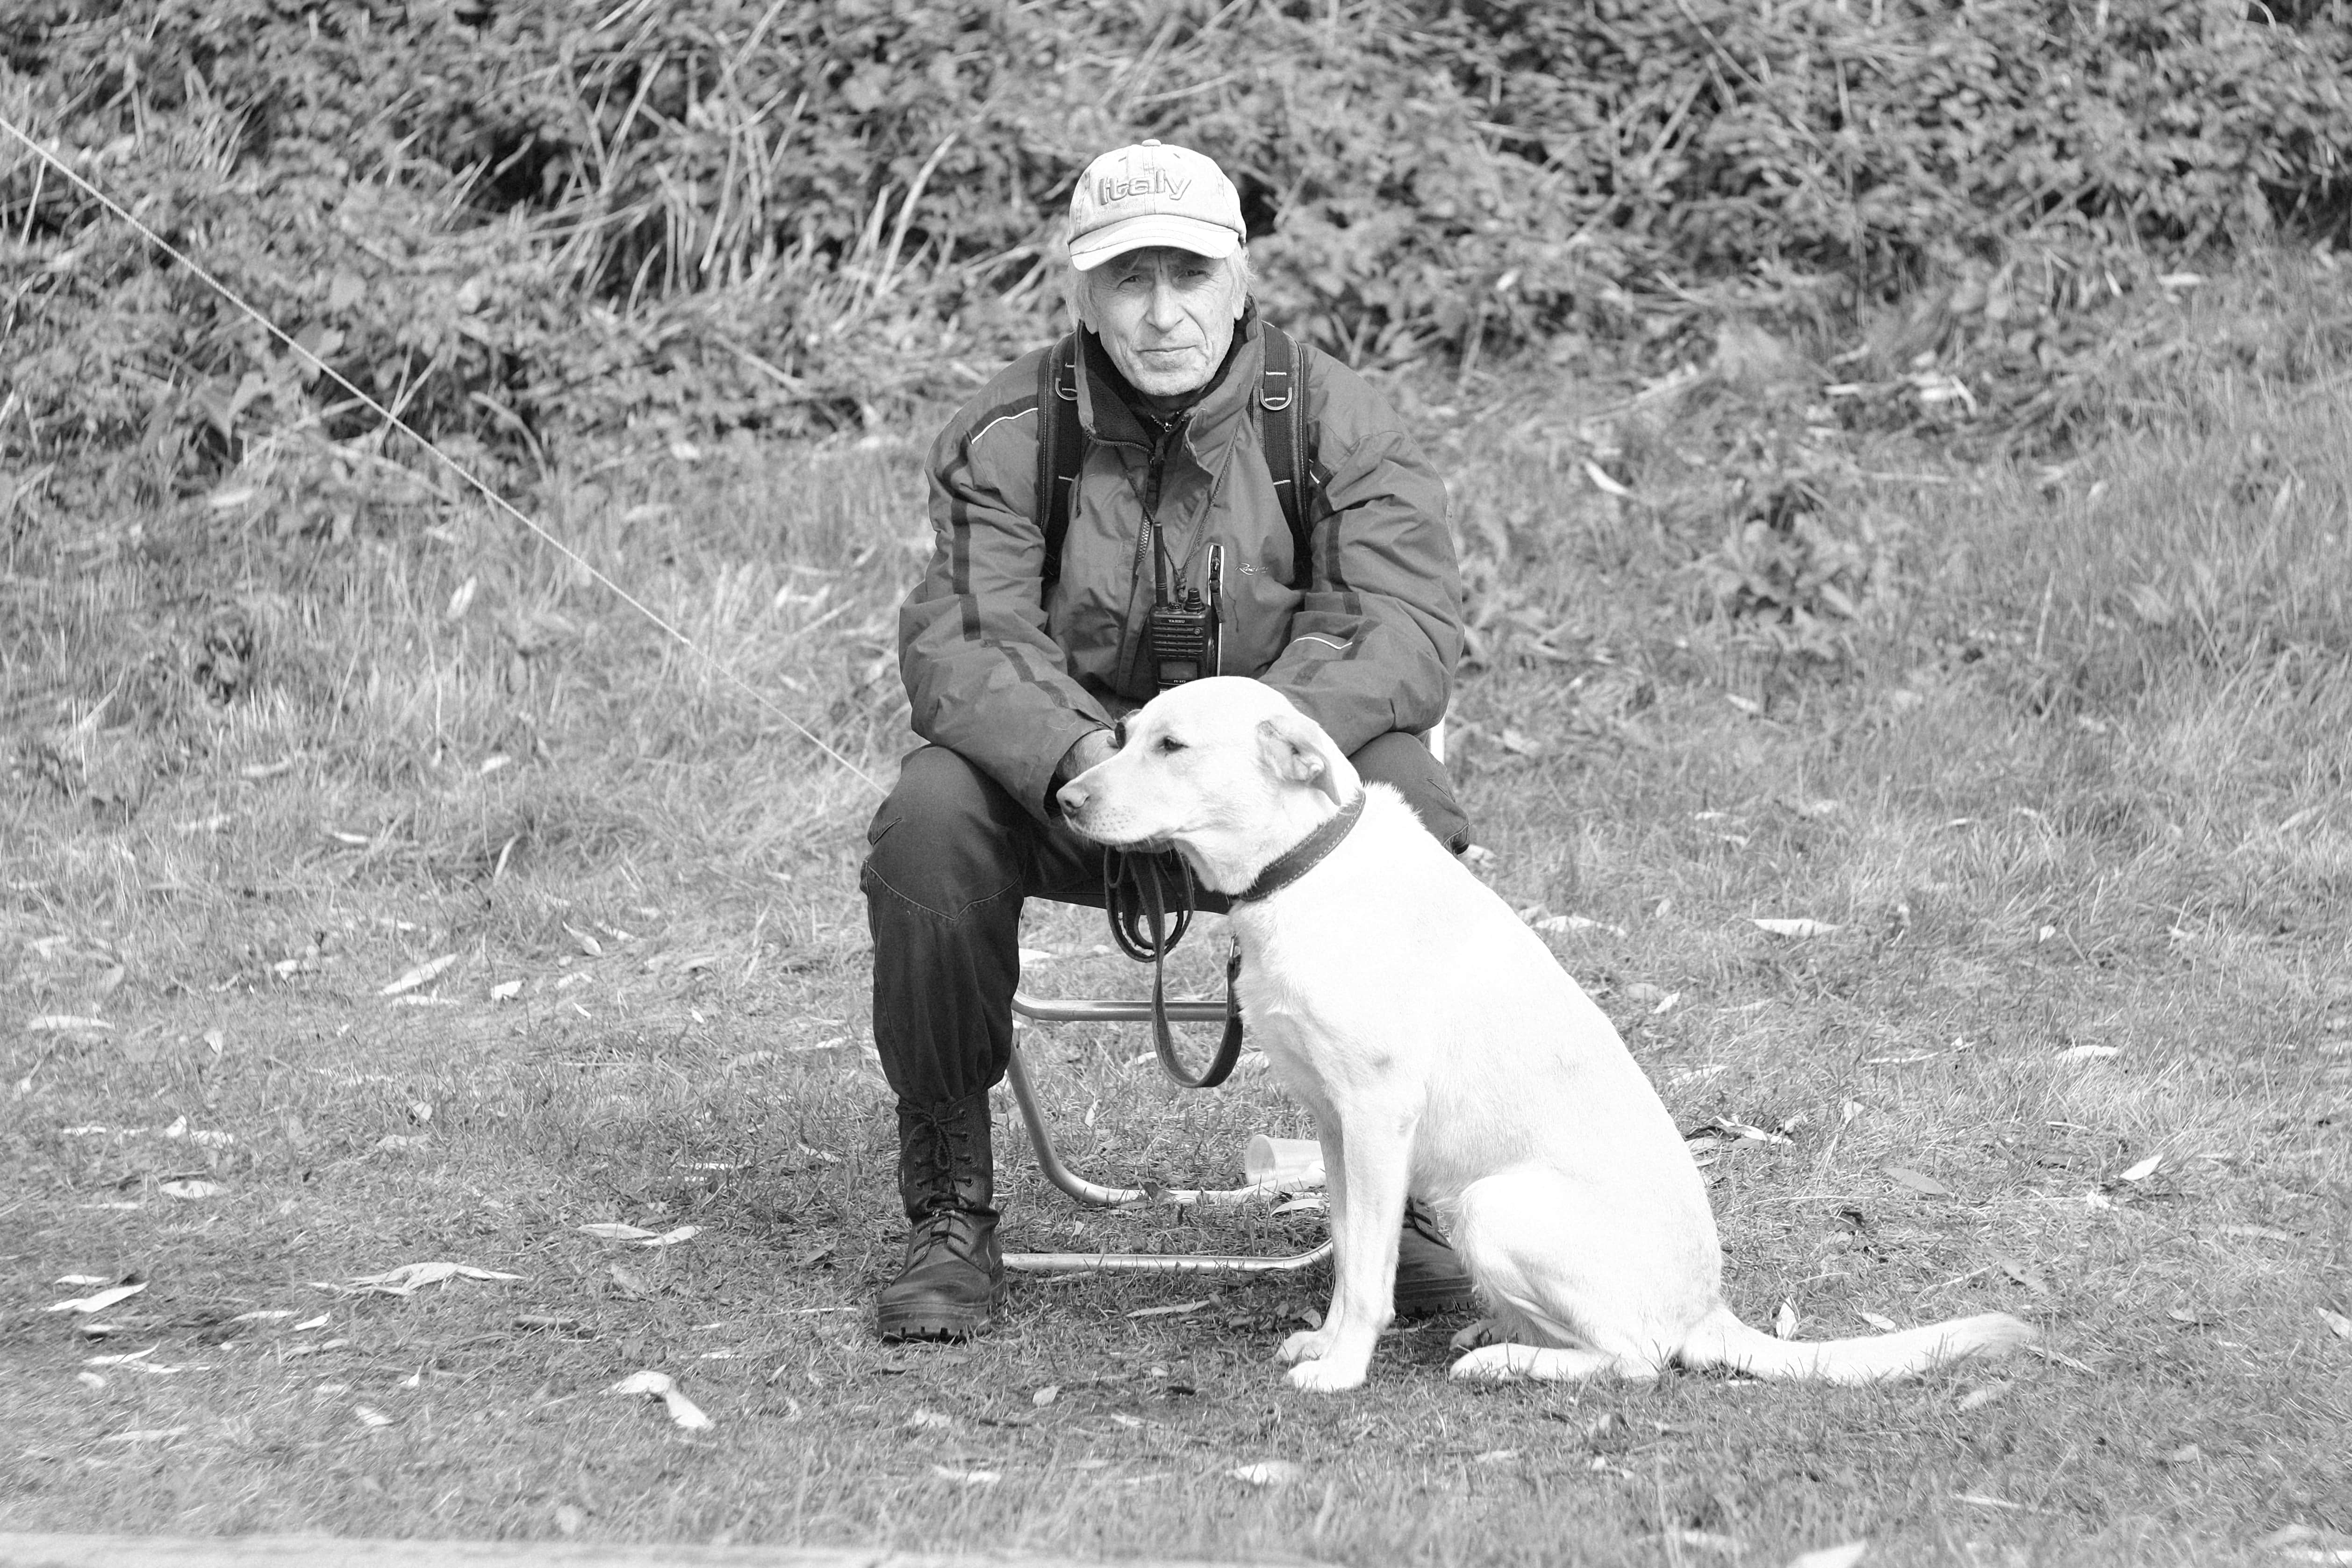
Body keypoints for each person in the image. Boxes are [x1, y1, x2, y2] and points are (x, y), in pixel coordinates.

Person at [863, 139, 1474, 1341]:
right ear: (1081, 291)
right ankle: (948, 1205)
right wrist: (1083, 758)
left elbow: (1399, 627)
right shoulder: (1007, 430)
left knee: (1409, 792)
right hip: (1074, 791)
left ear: (1239, 276)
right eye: (1127, 279)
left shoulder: (1339, 420)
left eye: (1188, 275)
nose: (1160, 312)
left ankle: (1401, 1193)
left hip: (1268, 800)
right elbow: (967, 642)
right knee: (927, 821)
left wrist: (1241, 753)